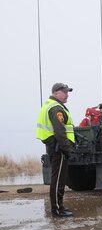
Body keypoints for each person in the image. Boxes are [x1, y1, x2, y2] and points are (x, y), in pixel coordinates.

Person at [36, 83, 75, 217]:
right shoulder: (56, 108)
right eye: (65, 92)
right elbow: (60, 132)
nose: (67, 95)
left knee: (57, 178)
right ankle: (57, 209)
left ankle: (59, 207)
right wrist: (67, 149)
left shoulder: (49, 105)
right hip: (59, 149)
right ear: (56, 92)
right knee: (58, 179)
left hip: (55, 147)